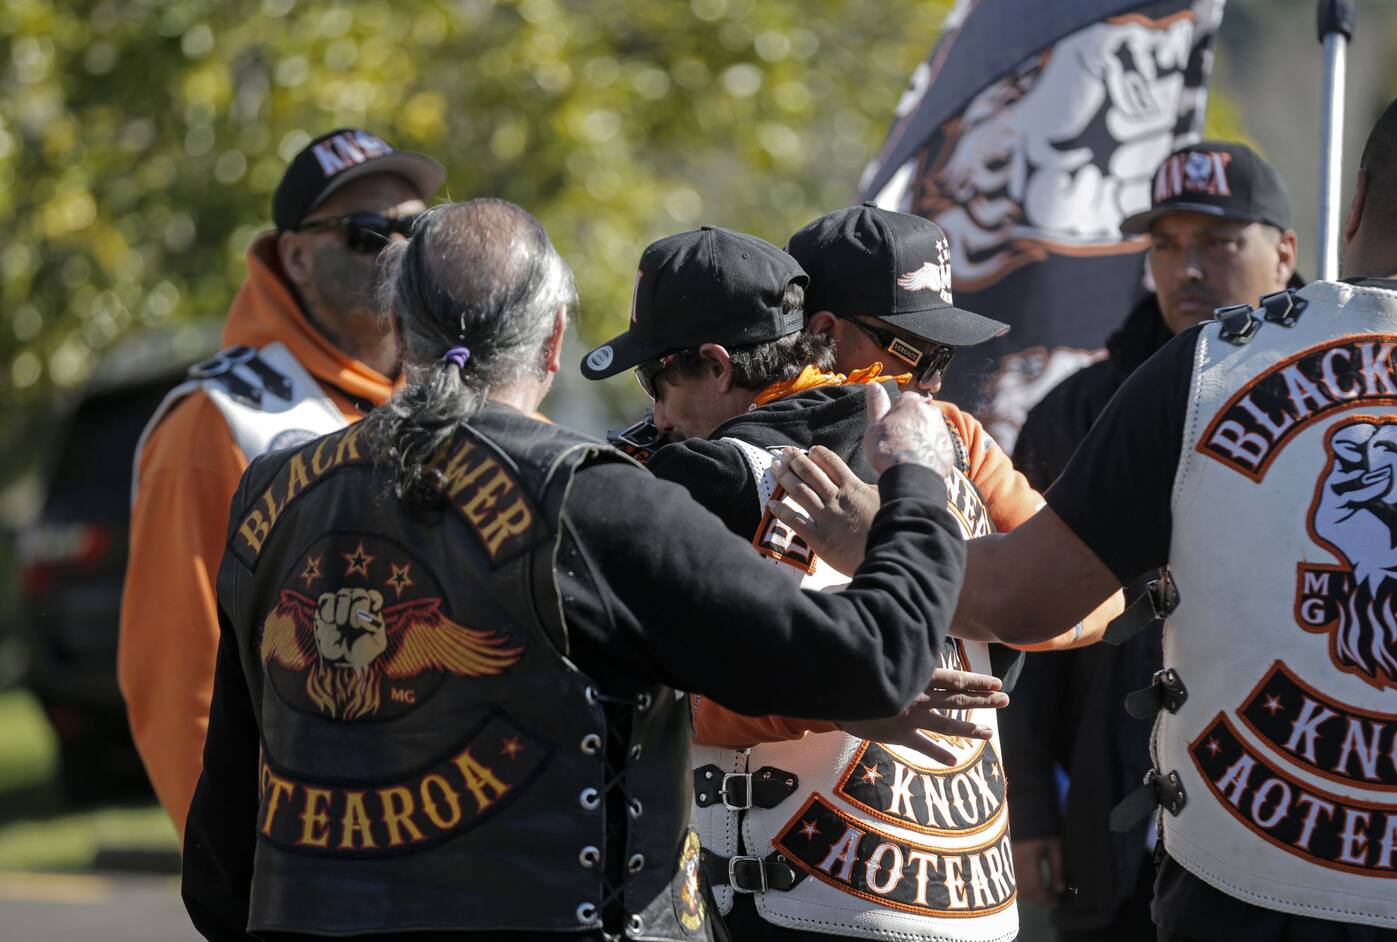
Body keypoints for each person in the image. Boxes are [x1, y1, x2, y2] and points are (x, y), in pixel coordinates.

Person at [181, 197, 984, 942]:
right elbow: (875, 661)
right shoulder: (593, 498)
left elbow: (219, 860)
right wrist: (915, 483)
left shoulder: (276, 491)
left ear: (396, 327)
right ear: (555, 338)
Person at [770, 81, 1397, 940]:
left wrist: (880, 532)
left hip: (1249, 894)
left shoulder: (1209, 368)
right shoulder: (1125, 386)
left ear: (1351, 207)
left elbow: (1031, 597)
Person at [580, 213, 1118, 942]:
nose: (928, 382)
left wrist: (890, 579)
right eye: (915, 353)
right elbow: (1091, 598)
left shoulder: (709, 469)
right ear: (817, 331)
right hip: (969, 909)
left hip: (799, 905)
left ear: (716, 362)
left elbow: (635, 701)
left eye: (939, 362)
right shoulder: (950, 442)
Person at [1001, 141, 1301, 940]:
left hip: (1283, 812)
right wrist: (1026, 800)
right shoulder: (1079, 409)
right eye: (1165, 245)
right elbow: (1022, 623)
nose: (1187, 269)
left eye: (1217, 242)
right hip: (1108, 819)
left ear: (1285, 252)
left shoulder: (1346, 397)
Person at [119, 129, 445, 834]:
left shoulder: (465, 396)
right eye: (366, 233)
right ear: (295, 255)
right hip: (308, 864)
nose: (396, 250)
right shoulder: (219, 421)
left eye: (414, 229)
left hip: (452, 847)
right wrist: (244, 885)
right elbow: (179, 681)